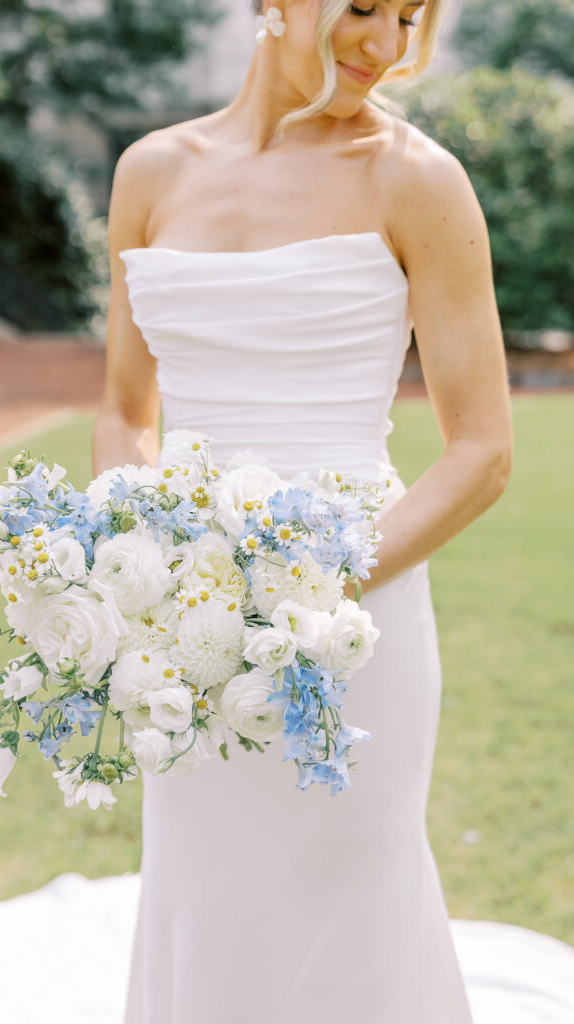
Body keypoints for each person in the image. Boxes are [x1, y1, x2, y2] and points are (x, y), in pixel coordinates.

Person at [92, 1, 513, 1020]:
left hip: (353, 619)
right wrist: (132, 557)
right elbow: (121, 408)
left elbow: (481, 449)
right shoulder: (150, 173)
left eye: (409, 16)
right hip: (184, 632)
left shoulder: (414, 177)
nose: (385, 44)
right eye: (361, 6)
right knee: (210, 886)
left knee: (349, 893)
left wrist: (303, 596)